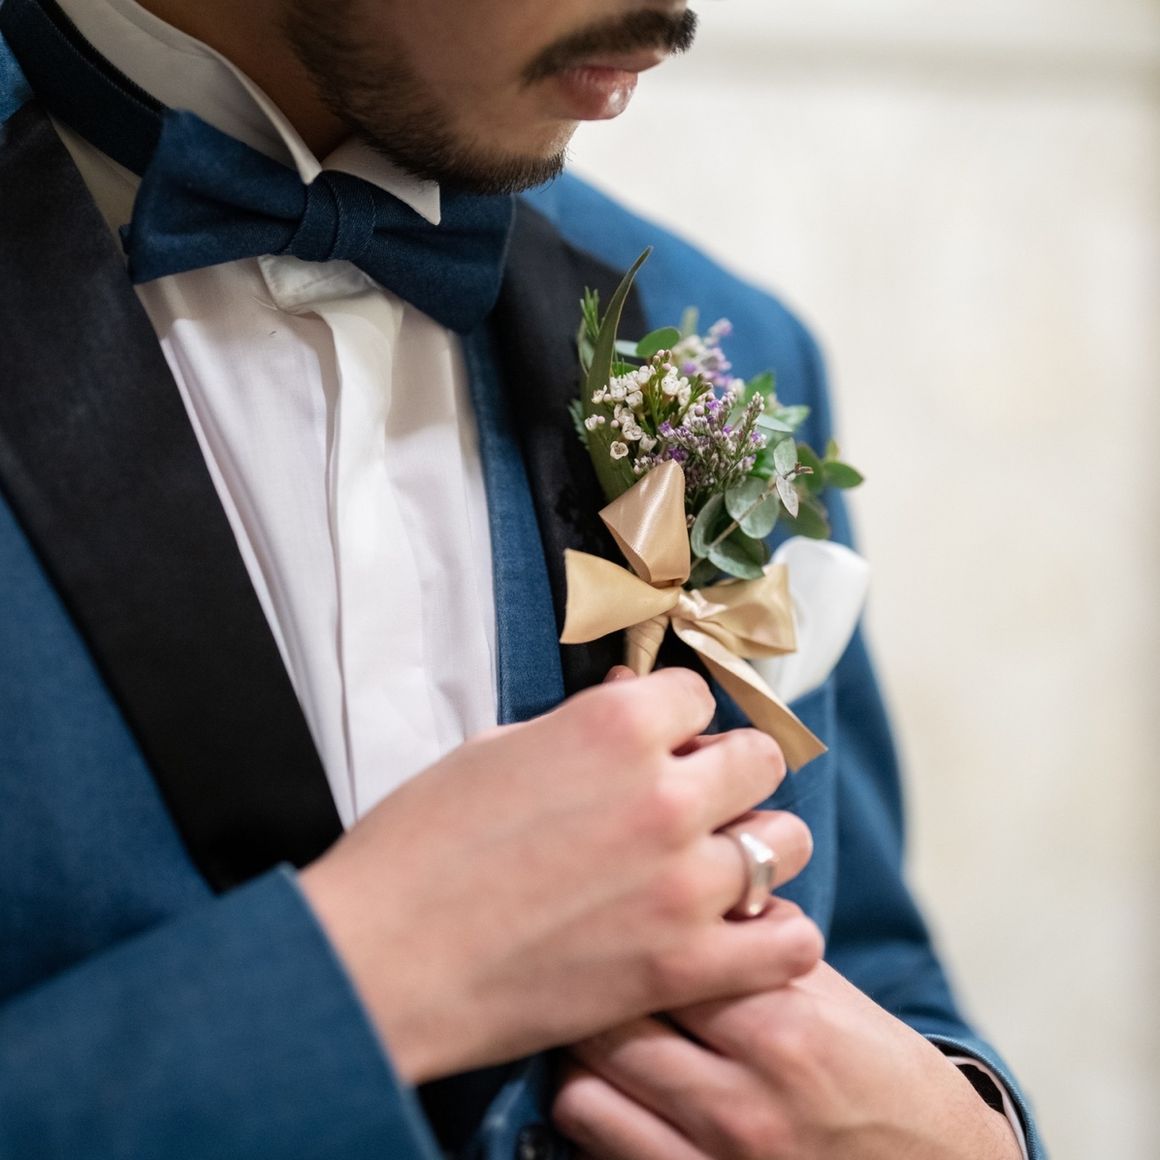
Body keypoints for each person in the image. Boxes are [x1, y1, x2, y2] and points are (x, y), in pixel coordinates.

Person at [0, 0, 1045, 1157]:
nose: (673, 14)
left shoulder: (721, 342)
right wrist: (369, 975)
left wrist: (970, 1134)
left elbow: (870, 963)